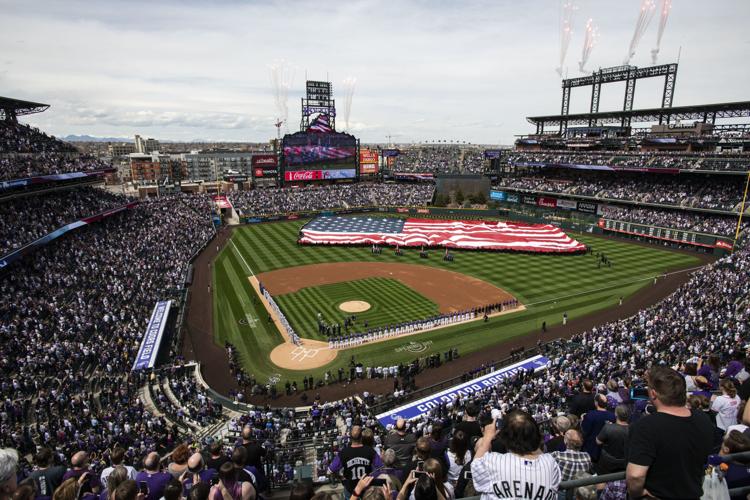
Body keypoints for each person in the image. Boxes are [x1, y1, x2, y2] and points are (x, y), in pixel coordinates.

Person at [626, 366, 715, 499]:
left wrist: (638, 493)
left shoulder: (646, 426)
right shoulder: (703, 419)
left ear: (653, 393)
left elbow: (635, 475)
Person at [471, 410, 561, 499]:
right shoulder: (550, 462)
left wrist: (488, 436)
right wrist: (528, 434)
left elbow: (476, 463)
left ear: (505, 437)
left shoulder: (494, 461)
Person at [328, 426, 383, 499]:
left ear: (350, 437)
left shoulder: (343, 452)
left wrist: (341, 478)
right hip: (366, 490)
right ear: (361, 437)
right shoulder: (370, 451)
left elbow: (330, 471)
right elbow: (381, 468)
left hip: (350, 490)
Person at [595, 404, 630, 474]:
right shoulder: (634, 429)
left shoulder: (608, 427)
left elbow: (598, 442)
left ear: (616, 414)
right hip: (625, 463)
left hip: (608, 463)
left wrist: (608, 427)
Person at [581, 394, 615, 460]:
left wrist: (583, 421)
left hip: (591, 449)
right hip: (607, 449)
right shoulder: (612, 416)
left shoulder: (591, 415)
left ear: (596, 402)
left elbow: (585, 431)